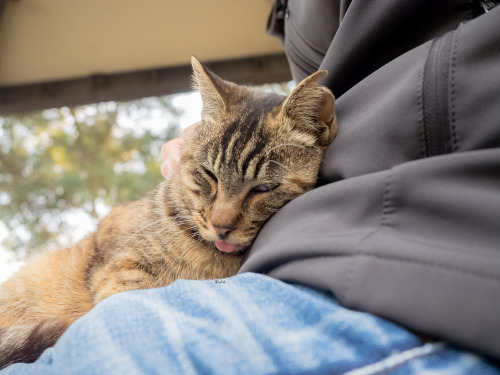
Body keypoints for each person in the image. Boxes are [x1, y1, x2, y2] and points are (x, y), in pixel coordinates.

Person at [3, 1, 500, 373]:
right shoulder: (169, 212)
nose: (222, 217)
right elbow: (111, 254)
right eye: (209, 182)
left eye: (260, 192)